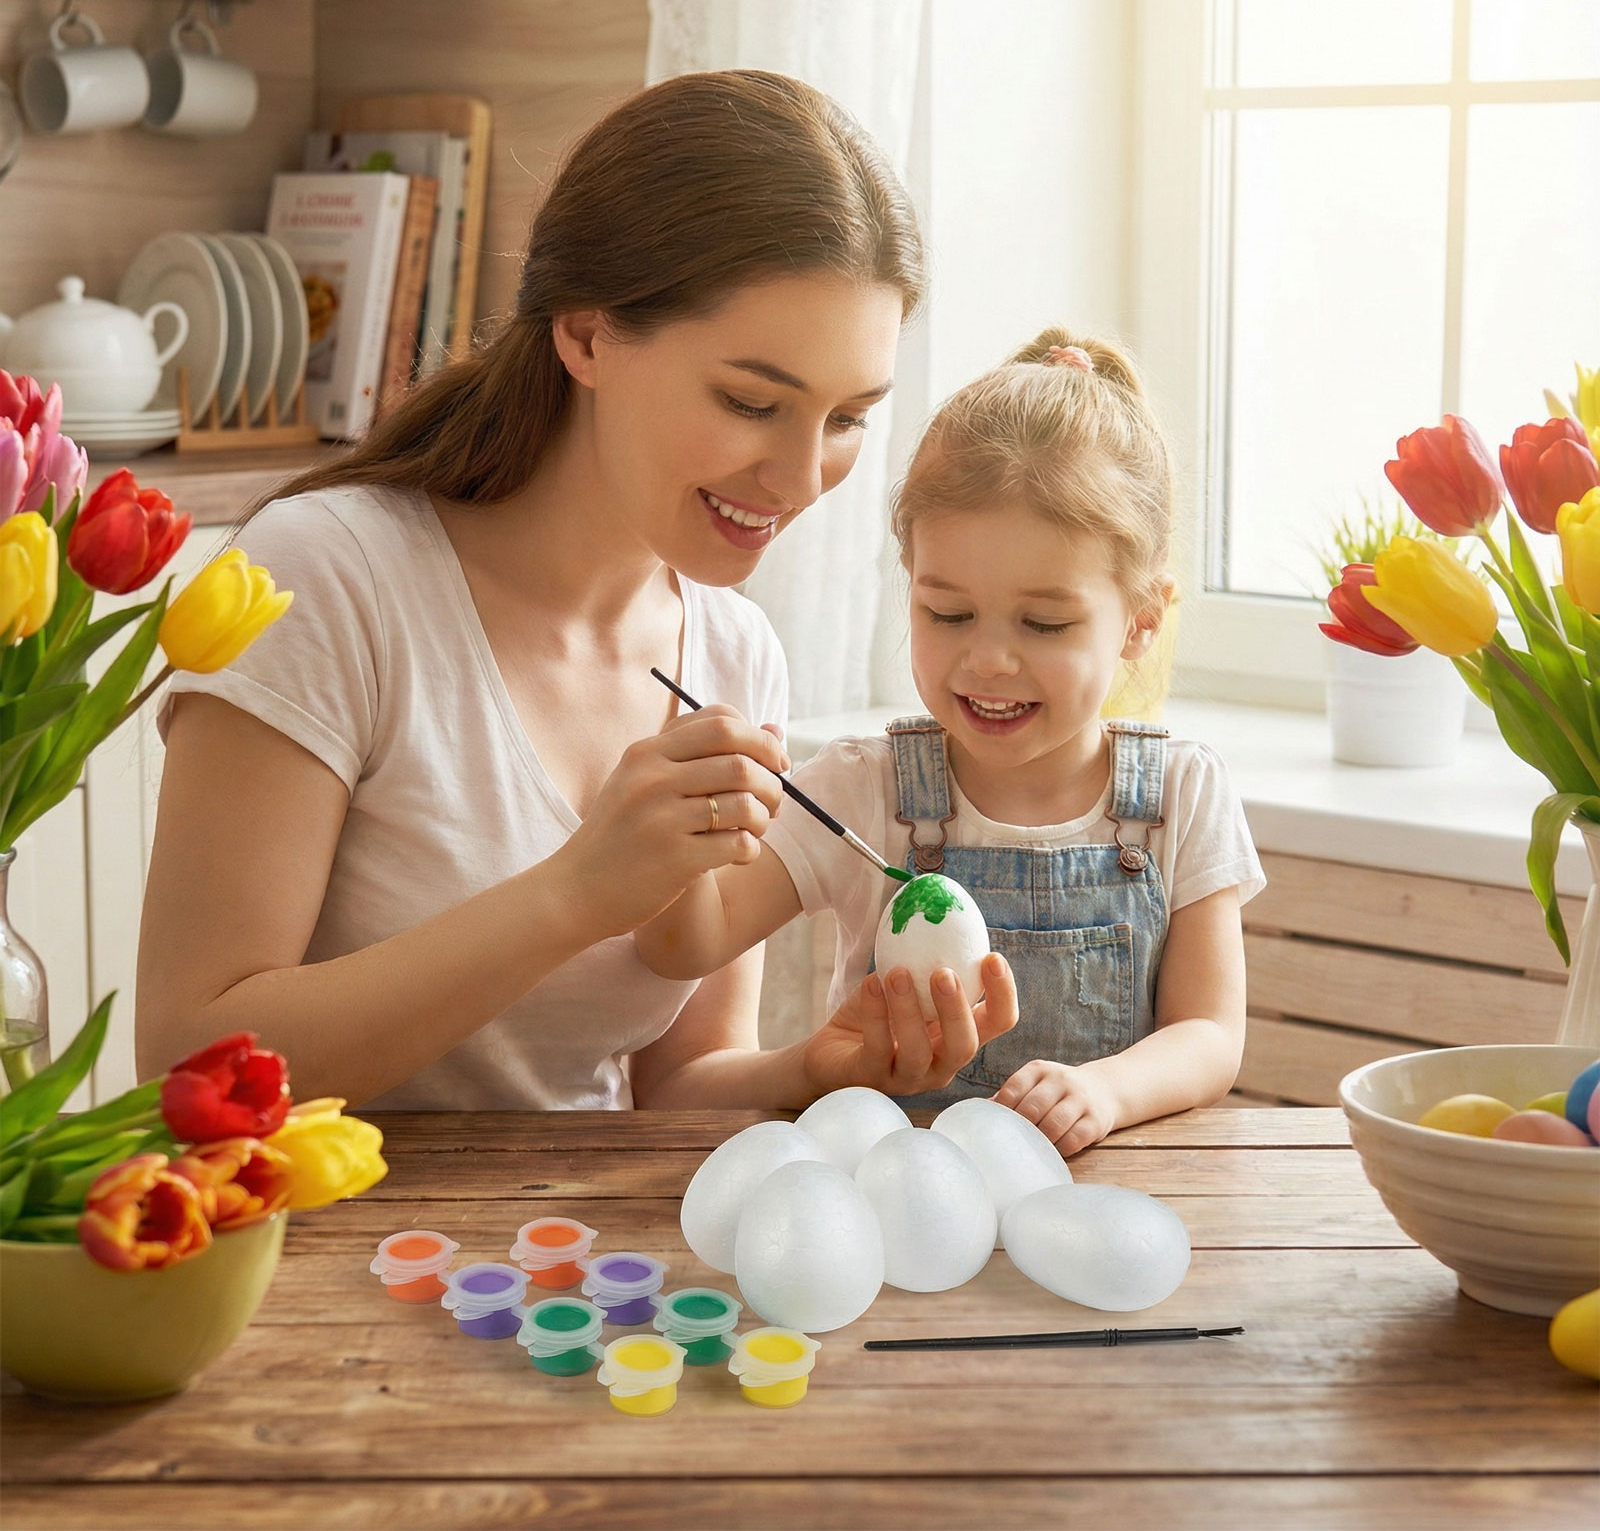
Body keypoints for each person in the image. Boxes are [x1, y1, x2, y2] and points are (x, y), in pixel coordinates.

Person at [136, 69, 1019, 1111]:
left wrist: (816, 1070)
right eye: (750, 400)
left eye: (846, 418)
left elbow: (676, 1083)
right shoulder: (330, 579)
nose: (797, 476)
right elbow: (189, 1064)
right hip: (324, 1254)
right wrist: (571, 895)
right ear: (587, 334)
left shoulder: (733, 655)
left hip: (579, 1266)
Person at [637, 329, 1265, 1152]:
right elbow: (686, 946)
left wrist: (1104, 1091)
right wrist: (687, 824)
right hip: (894, 1203)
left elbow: (1213, 1037)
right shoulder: (867, 785)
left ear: (1140, 619)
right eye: (947, 613)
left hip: (1098, 1213)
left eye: (1044, 623)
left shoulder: (1181, 795)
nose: (988, 660)